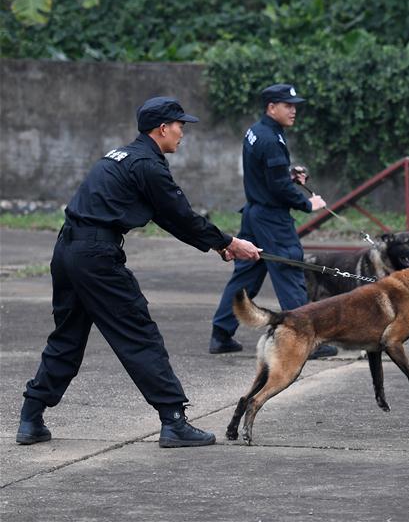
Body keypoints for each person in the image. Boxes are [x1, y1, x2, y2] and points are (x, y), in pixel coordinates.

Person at [16, 97, 262, 448]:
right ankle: (174, 421)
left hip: (67, 250)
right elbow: (181, 214)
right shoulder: (149, 165)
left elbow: (167, 215)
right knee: (138, 334)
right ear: (162, 128)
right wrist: (230, 241)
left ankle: (31, 415)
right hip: (97, 257)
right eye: (180, 126)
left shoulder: (120, 157)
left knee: (67, 337)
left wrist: (220, 245)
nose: (182, 133)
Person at [209, 84, 336, 357]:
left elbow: (268, 175)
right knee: (290, 273)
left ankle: (221, 334)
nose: (293, 110)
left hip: (255, 214)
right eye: (287, 105)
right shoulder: (270, 139)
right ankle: (305, 340)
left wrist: (290, 175)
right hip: (271, 219)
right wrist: (306, 203)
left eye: (294, 105)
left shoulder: (257, 131)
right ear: (271, 107)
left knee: (245, 276)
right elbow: (278, 186)